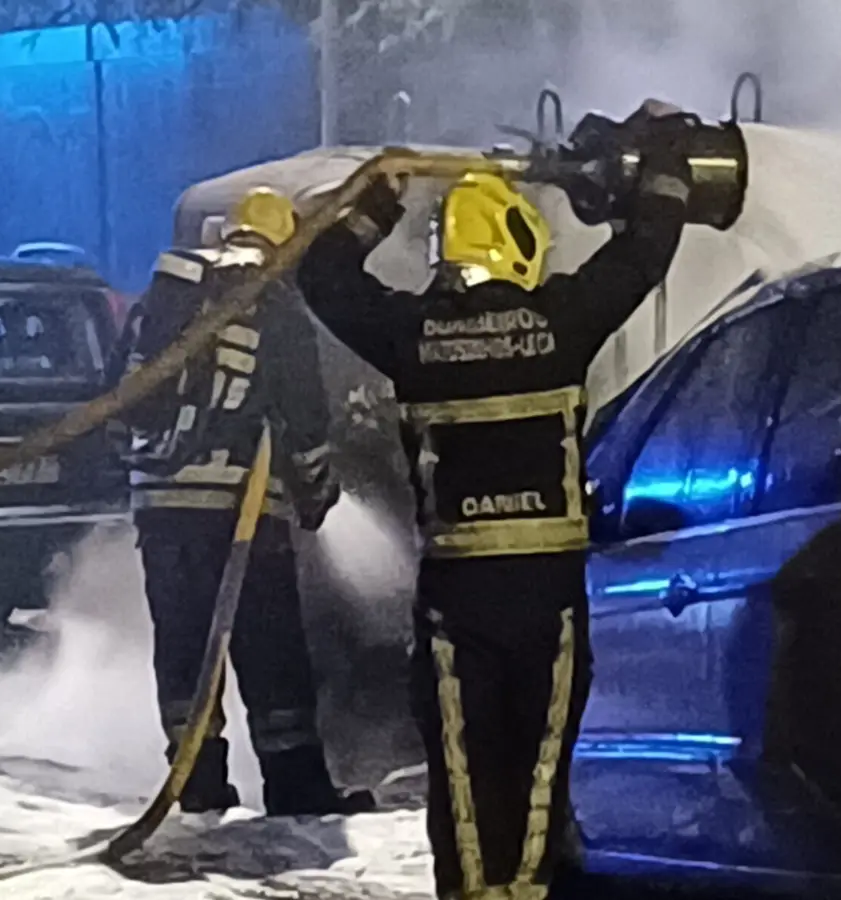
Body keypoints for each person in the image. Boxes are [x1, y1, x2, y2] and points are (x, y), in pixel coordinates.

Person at [296, 101, 695, 899]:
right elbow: (645, 252)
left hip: (456, 605)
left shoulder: (411, 337)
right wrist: (667, 165)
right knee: (538, 779)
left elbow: (323, 276)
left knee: (465, 786)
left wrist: (378, 201)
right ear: (516, 244)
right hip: (548, 602)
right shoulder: (562, 320)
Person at [116, 187, 370, 817]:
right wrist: (316, 496)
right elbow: (305, 420)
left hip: (162, 507)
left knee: (183, 648)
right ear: (283, 244)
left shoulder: (168, 297)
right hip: (243, 510)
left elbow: (121, 395)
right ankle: (296, 788)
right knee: (270, 649)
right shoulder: (276, 305)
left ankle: (198, 784)